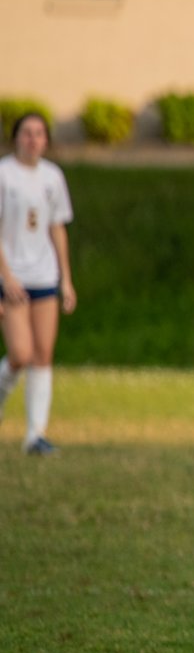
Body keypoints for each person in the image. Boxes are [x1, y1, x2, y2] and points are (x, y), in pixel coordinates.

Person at [0, 111, 77, 455]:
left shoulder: (52, 176)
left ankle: (35, 434)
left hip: (44, 275)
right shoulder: (3, 174)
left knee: (43, 354)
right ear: (16, 137)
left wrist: (66, 279)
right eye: (27, 133)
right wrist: (6, 276)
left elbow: (57, 227)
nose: (33, 139)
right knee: (20, 354)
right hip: (12, 275)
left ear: (46, 140)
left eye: (39, 134)